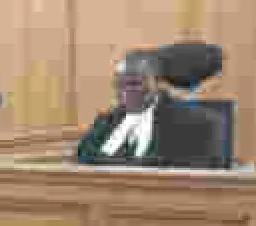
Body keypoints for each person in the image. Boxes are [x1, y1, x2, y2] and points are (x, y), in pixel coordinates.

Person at [76, 50, 226, 168]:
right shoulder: (107, 120)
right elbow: (82, 155)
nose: (125, 92)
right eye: (119, 84)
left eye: (135, 84)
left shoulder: (198, 124)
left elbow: (196, 177)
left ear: (158, 83)